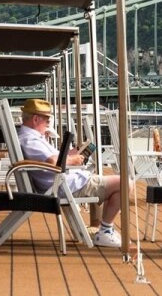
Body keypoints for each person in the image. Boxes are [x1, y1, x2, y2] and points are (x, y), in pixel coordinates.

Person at [17, 99, 122, 248]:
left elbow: (54, 158)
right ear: (35, 119)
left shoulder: (32, 138)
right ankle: (105, 231)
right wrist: (73, 160)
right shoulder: (30, 140)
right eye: (47, 120)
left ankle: (104, 230)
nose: (48, 124)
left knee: (119, 182)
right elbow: (52, 161)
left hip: (63, 183)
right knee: (124, 184)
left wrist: (74, 153)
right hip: (64, 186)